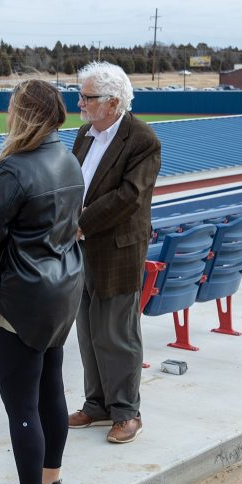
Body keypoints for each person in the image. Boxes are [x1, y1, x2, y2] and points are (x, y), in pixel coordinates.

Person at [0, 79, 85, 484]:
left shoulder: (13, 169)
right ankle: (51, 481)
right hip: (61, 289)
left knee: (22, 406)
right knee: (51, 389)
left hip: (21, 296)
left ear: (23, 114)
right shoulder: (66, 158)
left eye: (13, 106)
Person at [68, 61, 161, 444]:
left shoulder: (142, 140)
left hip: (117, 250)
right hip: (80, 249)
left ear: (114, 101)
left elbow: (129, 197)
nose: (80, 104)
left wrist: (81, 223)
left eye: (87, 98)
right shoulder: (85, 135)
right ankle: (97, 404)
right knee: (87, 331)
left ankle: (127, 411)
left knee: (117, 332)